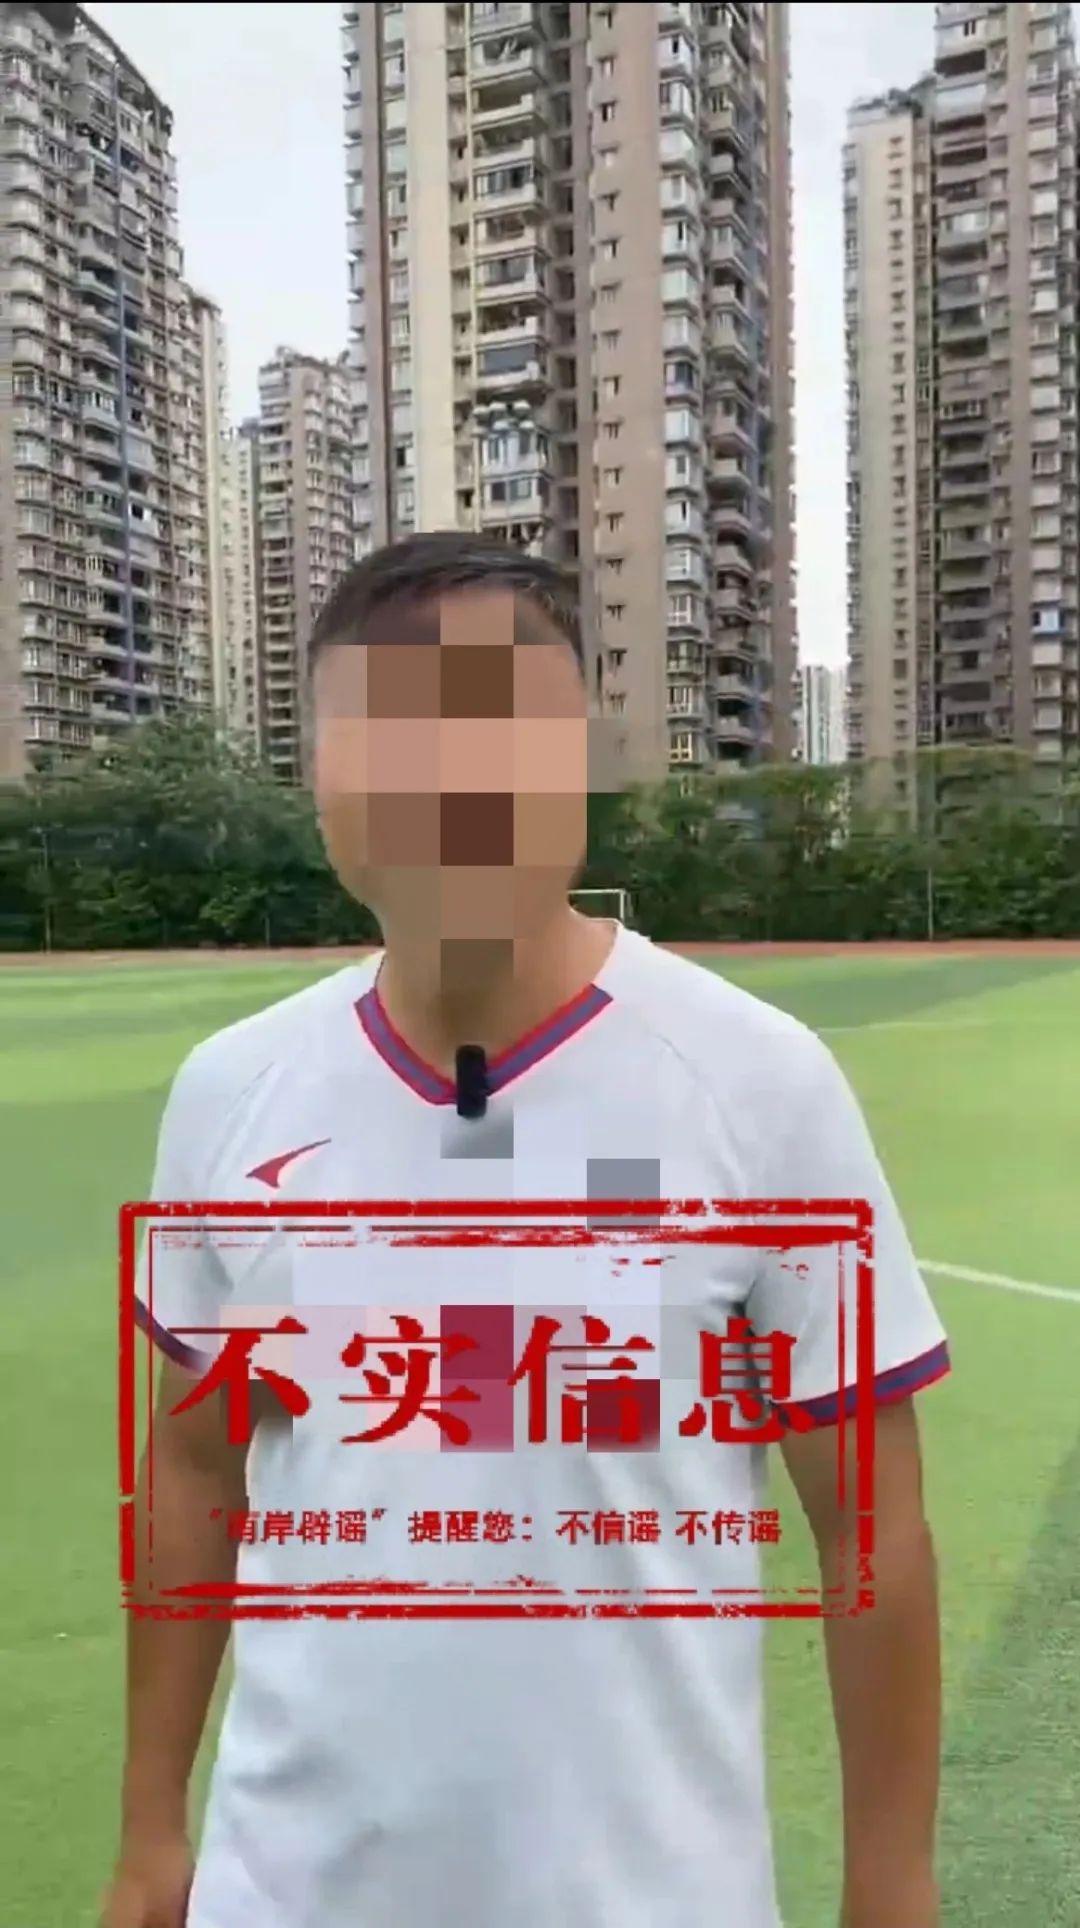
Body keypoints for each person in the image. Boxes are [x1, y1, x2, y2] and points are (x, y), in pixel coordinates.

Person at [103, 530, 950, 1928]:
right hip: (286, 1893)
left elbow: (871, 1524)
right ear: (319, 777)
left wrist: (893, 1884)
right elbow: (195, 1469)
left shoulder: (757, 1083)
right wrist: (150, 1829)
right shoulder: (230, 1092)